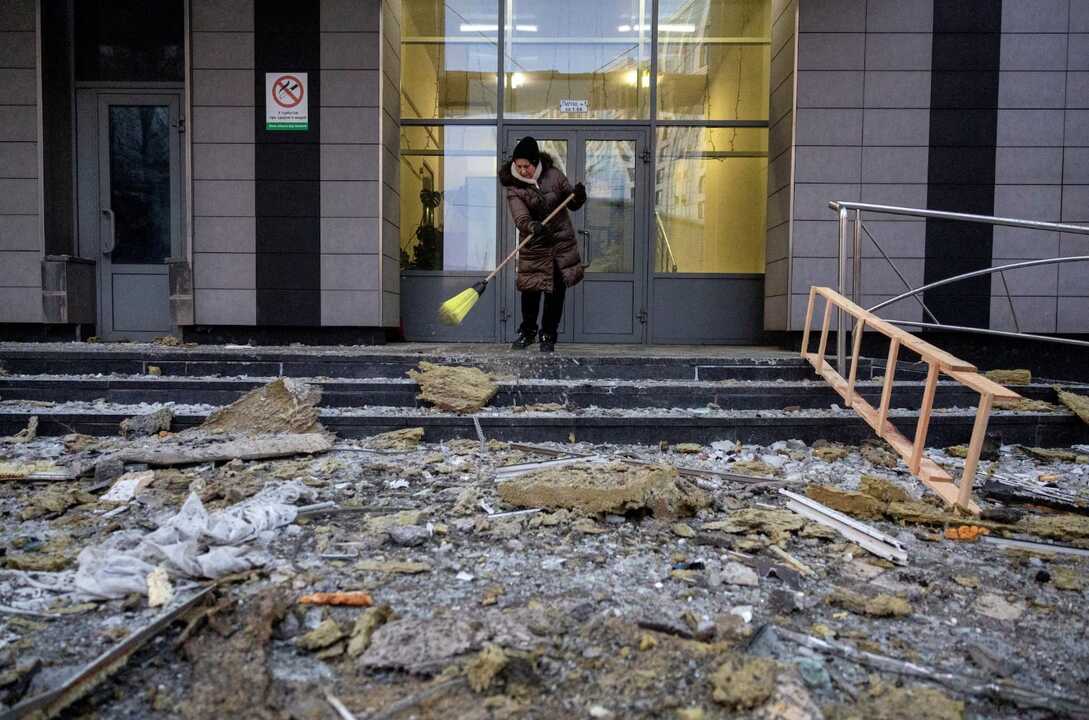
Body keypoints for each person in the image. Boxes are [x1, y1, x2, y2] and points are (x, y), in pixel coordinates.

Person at [498, 136, 587, 352]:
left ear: (535, 162)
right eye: (518, 166)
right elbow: (520, 217)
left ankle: (548, 334)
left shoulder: (554, 176)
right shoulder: (514, 187)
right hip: (535, 244)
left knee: (555, 293)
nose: (522, 171)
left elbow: (571, 203)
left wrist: (578, 196)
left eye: (526, 166)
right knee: (530, 291)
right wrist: (532, 226)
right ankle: (527, 332)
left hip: (559, 244)